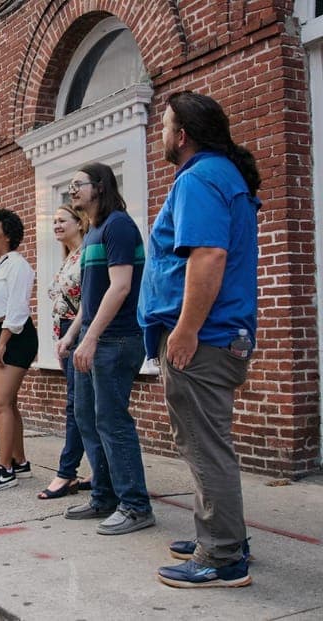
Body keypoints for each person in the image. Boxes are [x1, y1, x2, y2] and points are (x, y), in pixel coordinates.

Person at [139, 91, 260, 588]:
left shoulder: (200, 177)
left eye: (165, 126)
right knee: (204, 442)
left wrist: (185, 330)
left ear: (182, 134)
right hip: (217, 334)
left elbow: (208, 255)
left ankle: (223, 555)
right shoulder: (220, 175)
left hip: (203, 337)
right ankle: (220, 534)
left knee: (204, 445)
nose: (161, 135)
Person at [57, 163, 154, 535]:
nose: (72, 190)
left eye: (78, 184)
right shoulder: (94, 230)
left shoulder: (118, 226)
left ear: (100, 186)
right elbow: (91, 296)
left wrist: (92, 337)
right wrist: (73, 335)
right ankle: (104, 496)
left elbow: (121, 286)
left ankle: (136, 506)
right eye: (70, 185)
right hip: (93, 338)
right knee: (87, 418)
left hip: (117, 339)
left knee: (113, 422)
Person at [0, 208, 38, 493]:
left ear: (8, 235)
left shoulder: (18, 265)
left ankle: (5, 470)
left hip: (13, 335)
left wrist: (2, 343)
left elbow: (17, 308)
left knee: (0, 403)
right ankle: (19, 462)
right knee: (8, 403)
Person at [39, 204, 92, 499]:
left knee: (77, 406)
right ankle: (98, 469)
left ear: (80, 222)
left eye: (62, 220)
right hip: (64, 336)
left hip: (78, 334)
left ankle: (66, 472)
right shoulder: (68, 257)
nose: (56, 225)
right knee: (82, 406)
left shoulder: (86, 255)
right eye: (54, 221)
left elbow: (90, 301)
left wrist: (72, 337)